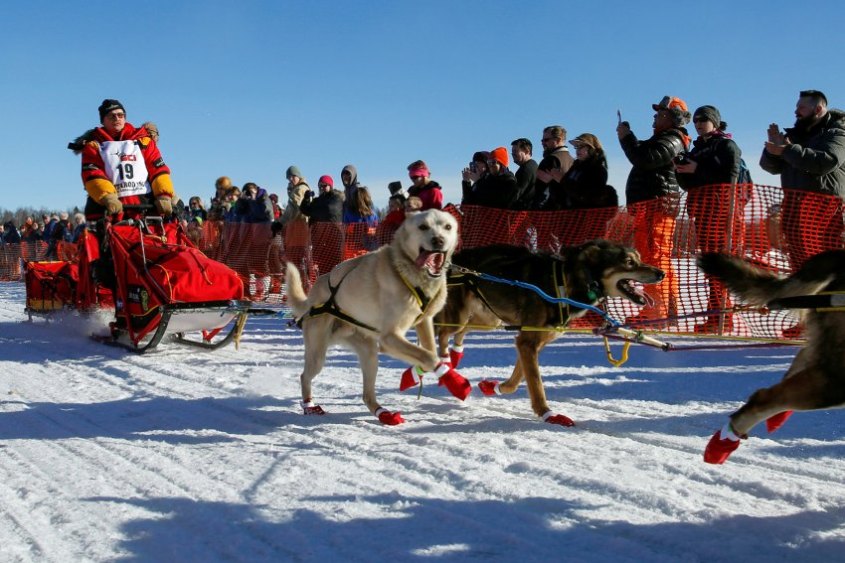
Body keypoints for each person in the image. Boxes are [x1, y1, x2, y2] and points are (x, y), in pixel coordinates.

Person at [617, 95, 692, 326]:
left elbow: (645, 159)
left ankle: (657, 313)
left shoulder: (673, 138)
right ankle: (662, 311)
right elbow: (645, 156)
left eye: (660, 113)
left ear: (673, 118)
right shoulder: (662, 138)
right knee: (654, 257)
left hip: (657, 207)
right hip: (650, 207)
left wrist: (627, 138)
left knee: (654, 257)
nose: (654, 117)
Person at [676, 105, 746, 333]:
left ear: (715, 121)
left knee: (721, 265)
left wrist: (698, 168)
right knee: (711, 268)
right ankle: (716, 314)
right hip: (702, 212)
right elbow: (689, 183)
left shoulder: (726, 145)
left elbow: (730, 178)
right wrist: (681, 170)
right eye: (695, 120)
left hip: (723, 212)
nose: (698, 123)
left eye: (703, 119)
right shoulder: (698, 149)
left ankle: (723, 317)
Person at [760, 90, 845, 271]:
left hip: (827, 214)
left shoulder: (837, 134)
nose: (796, 111)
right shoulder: (794, 137)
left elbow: (825, 162)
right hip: (795, 212)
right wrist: (772, 150)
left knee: (829, 271)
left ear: (818, 109)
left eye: (802, 107)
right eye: (796, 107)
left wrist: (786, 150)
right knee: (802, 269)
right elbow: (770, 167)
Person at [77, 99, 176, 220]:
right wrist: (108, 197)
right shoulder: (94, 146)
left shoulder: (143, 141)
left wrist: (164, 195)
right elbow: (93, 174)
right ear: (103, 120)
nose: (117, 118)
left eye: (120, 115)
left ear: (125, 117)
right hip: (111, 207)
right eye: (111, 116)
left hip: (147, 204)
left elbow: (158, 169)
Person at [557, 133, 617, 210]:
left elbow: (586, 195)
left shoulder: (597, 169)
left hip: (586, 216)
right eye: (576, 147)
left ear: (591, 148)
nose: (578, 150)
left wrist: (562, 180)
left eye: (581, 146)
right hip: (569, 215)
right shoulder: (576, 166)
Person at [534, 125, 574, 210]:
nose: (543, 143)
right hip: (568, 210)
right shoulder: (573, 161)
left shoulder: (551, 159)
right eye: (542, 140)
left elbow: (541, 190)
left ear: (558, 140)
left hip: (550, 213)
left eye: (546, 140)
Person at [511, 138, 538, 210]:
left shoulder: (525, 169)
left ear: (527, 151)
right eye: (512, 151)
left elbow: (517, 194)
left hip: (523, 212)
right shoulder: (533, 165)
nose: (512, 154)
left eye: (515, 151)